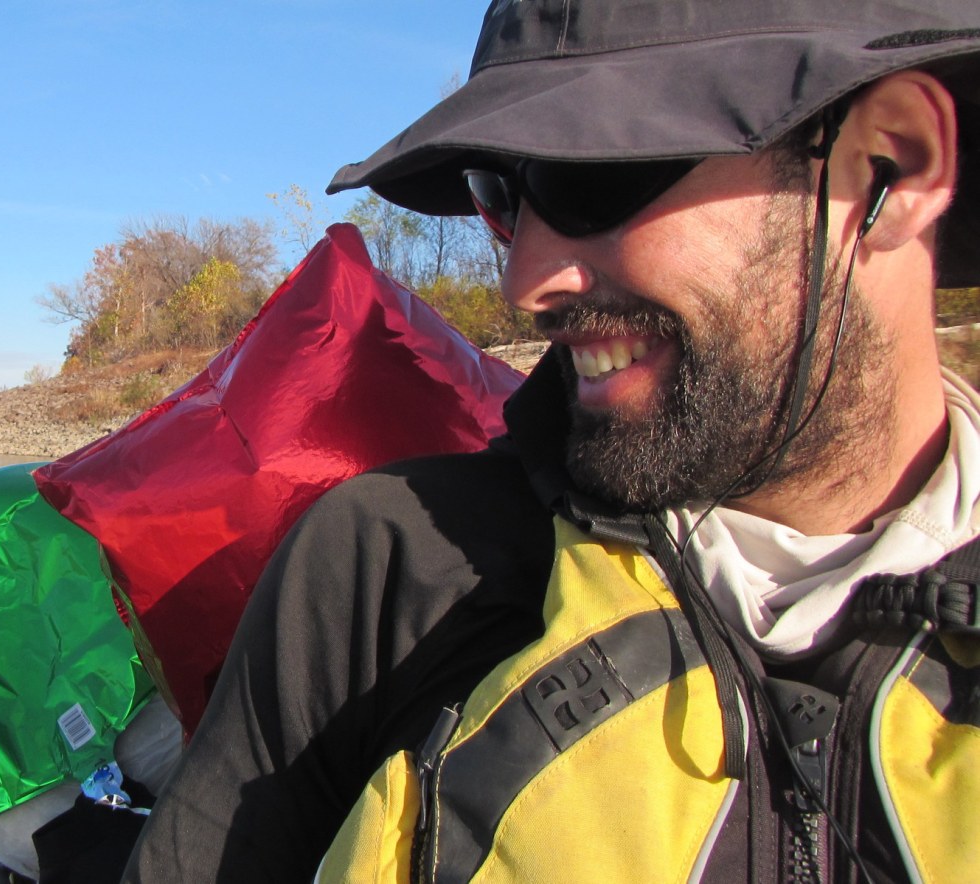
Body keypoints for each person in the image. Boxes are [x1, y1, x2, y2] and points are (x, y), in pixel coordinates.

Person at [124, 1, 980, 881]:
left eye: (596, 170)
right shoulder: (391, 575)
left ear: (893, 162)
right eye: (503, 193)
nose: (524, 281)